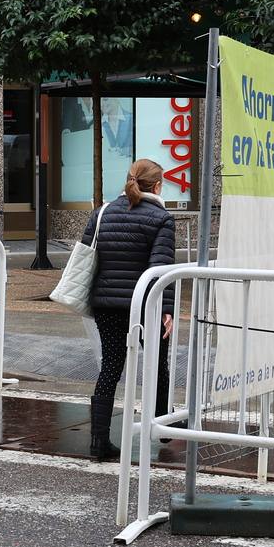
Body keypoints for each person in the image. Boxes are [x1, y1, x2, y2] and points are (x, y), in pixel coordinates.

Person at [82, 158, 176, 461]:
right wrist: (167, 309)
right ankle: (162, 425)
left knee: (110, 367)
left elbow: (88, 256)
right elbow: (161, 269)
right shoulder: (161, 218)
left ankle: (98, 440)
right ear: (158, 185)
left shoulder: (103, 213)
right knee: (158, 362)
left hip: (106, 302)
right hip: (144, 304)